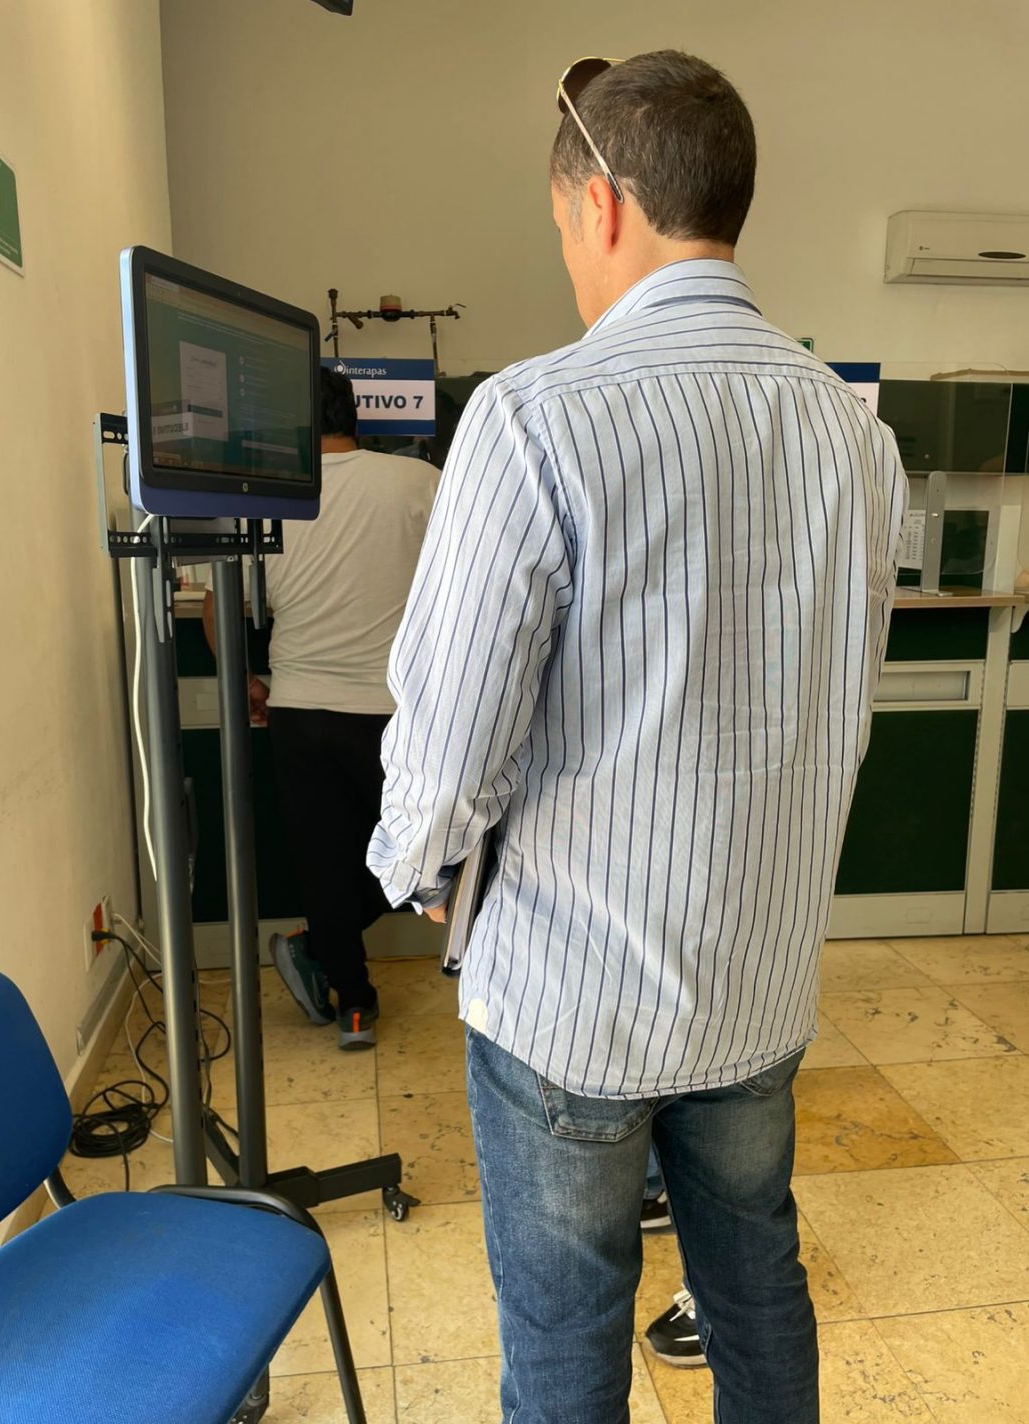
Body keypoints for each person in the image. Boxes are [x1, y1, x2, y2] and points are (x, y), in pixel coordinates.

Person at [368, 48, 905, 1424]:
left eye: (561, 224)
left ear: (600, 205)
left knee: (565, 1333)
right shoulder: (857, 438)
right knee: (757, 1289)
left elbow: (450, 737)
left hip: (573, 1006)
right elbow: (843, 696)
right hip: (757, 989)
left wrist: (415, 866)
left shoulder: (531, 417)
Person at [204, 366, 438, 1049]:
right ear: (354, 415)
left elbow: (219, 605)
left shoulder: (265, 499)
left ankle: (353, 1006)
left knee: (325, 861)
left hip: (300, 709)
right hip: (398, 713)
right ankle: (322, 948)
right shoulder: (417, 482)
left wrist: (244, 679)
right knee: (421, 854)